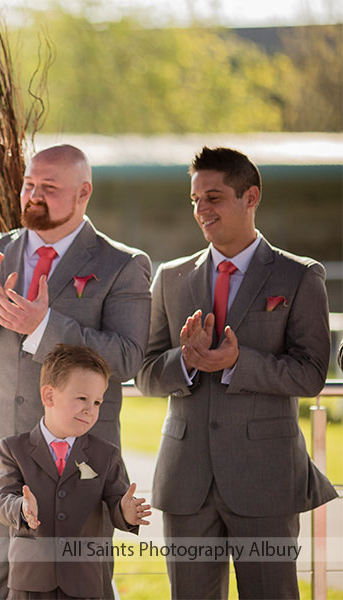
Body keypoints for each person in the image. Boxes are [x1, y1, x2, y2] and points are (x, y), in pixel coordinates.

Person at [0, 144, 151, 599]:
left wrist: (46, 328)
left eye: (50, 188)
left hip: (76, 476)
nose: (34, 195)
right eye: (29, 185)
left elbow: (129, 357)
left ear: (83, 193)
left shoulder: (122, 266)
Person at [135, 146, 338, 599]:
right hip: (186, 481)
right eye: (194, 200)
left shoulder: (299, 277)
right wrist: (185, 361)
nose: (201, 210)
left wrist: (237, 363)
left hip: (266, 480)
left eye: (213, 197)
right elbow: (145, 374)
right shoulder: (170, 278)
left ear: (252, 197)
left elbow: (310, 375)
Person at [0, 344, 150, 599]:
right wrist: (21, 507)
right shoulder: (13, 449)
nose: (91, 409)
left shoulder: (105, 455)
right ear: (49, 397)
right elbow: (1, 500)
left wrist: (126, 512)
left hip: (84, 582)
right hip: (30, 583)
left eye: (97, 402)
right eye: (82, 399)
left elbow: (116, 501)